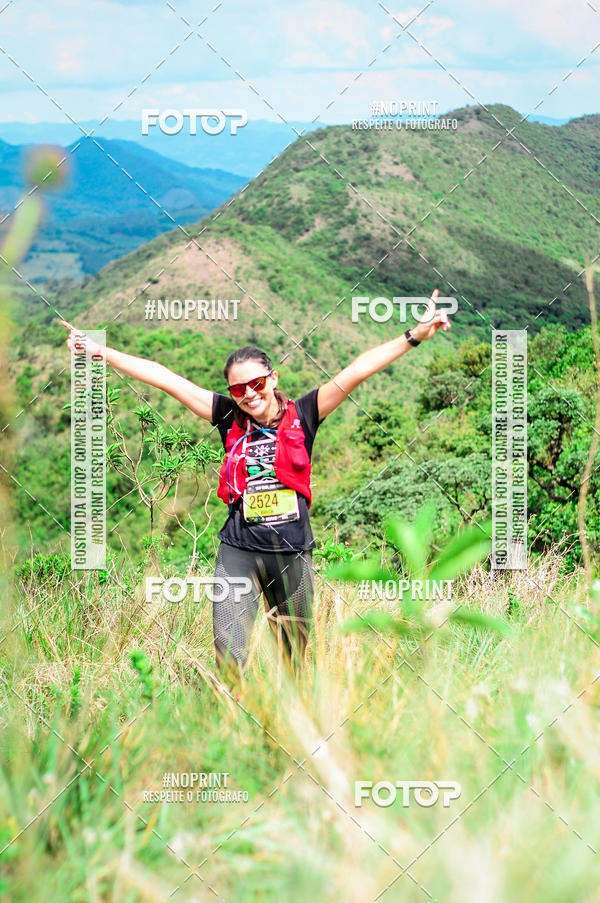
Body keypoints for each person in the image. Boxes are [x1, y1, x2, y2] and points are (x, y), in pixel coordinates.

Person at [60, 290, 451, 671]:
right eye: (238, 389)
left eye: (257, 384)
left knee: (294, 657)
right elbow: (167, 380)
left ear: (273, 378)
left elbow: (357, 371)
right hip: (239, 550)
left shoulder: (306, 412)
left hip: (292, 551)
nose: (249, 394)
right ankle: (235, 721)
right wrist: (98, 351)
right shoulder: (228, 416)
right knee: (229, 651)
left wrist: (413, 335)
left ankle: (289, 733)